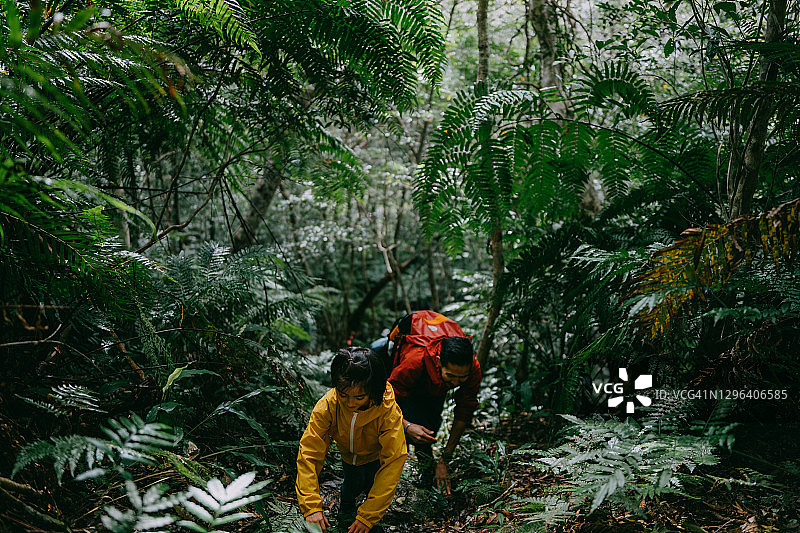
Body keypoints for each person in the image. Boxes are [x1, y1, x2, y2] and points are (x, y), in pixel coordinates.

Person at [296, 347, 407, 533]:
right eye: (343, 394)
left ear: (373, 390)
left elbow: (393, 461)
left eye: (359, 397)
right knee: (350, 487)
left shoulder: (387, 410)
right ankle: (346, 513)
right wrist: (312, 507)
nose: (350, 403)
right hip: (348, 458)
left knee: (372, 487)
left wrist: (368, 517)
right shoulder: (328, 406)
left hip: (375, 459)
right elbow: (309, 452)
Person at [388, 335, 481, 494]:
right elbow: (385, 401)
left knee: (428, 428)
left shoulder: (473, 369)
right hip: (408, 388)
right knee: (406, 429)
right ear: (438, 362)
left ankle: (427, 469)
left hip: (435, 388)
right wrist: (406, 426)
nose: (457, 383)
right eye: (451, 375)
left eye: (462, 377)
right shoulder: (414, 362)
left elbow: (463, 414)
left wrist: (444, 461)